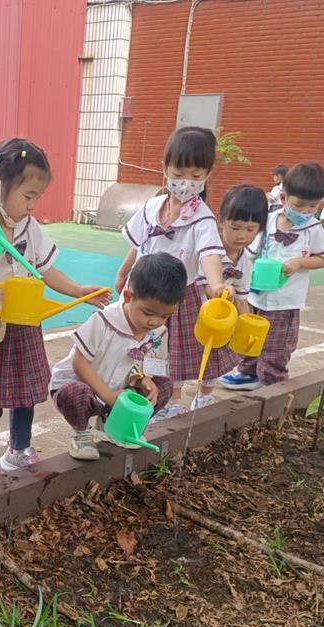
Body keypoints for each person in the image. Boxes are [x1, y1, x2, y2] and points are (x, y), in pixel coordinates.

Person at [0, 139, 110, 481]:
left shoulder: (29, 228)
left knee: (24, 394)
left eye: (37, 197)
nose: (32, 205)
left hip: (24, 323)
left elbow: (46, 270)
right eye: (27, 196)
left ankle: (19, 448)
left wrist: (78, 290)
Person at [115, 126, 227, 414]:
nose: (186, 183)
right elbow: (138, 243)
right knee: (136, 343)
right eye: (178, 174)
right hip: (142, 290)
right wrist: (123, 272)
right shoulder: (152, 207)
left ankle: (171, 400)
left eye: (196, 176)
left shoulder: (202, 218)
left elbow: (210, 253)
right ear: (164, 168)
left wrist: (216, 284)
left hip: (176, 298)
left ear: (208, 174)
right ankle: (135, 392)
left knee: (170, 351)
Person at [50, 253, 186, 461]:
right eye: (148, 313)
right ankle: (81, 433)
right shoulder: (104, 321)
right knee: (74, 393)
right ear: (129, 297)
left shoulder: (159, 333)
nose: (155, 322)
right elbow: (79, 363)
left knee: (164, 386)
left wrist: (144, 379)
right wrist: (107, 395)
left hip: (119, 393)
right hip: (86, 388)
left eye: (165, 316)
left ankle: (117, 424)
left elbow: (149, 364)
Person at [219, 162, 324, 390]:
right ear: (283, 198)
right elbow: (250, 249)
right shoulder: (269, 220)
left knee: (277, 344)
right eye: (299, 205)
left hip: (285, 301)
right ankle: (248, 372)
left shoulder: (313, 228)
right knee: (250, 334)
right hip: (256, 295)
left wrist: (300, 262)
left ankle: (273, 381)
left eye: (313, 206)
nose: (305, 212)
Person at [185, 184, 268, 406]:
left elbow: (242, 298)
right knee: (182, 356)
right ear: (221, 221)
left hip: (221, 322)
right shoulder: (209, 250)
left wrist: (247, 325)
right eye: (236, 227)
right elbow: (204, 286)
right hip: (193, 313)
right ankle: (174, 401)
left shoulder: (245, 260)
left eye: (250, 230)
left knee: (215, 358)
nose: (242, 236)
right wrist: (220, 290)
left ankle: (204, 396)